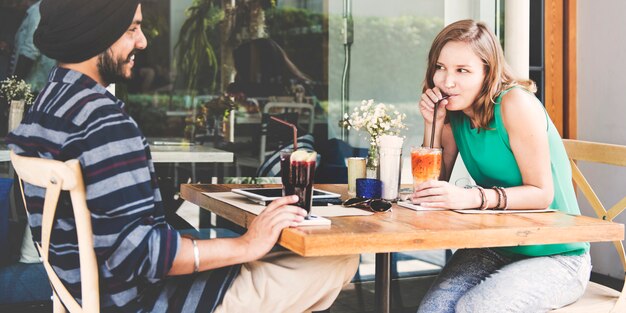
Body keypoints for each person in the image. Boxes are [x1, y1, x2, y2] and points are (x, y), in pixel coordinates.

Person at [6, 1, 359, 312]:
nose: (142, 42)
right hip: (152, 302)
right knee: (336, 258)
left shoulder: (46, 107)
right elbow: (141, 254)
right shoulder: (102, 120)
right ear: (96, 33)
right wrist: (246, 244)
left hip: (87, 295)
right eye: (132, 30)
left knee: (282, 256)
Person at [412, 19, 590, 313]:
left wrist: (473, 197)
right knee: (433, 310)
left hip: (558, 254)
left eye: (462, 70)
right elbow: (428, 190)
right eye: (440, 67)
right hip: (497, 244)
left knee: (475, 308)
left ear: (488, 72)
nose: (446, 81)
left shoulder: (515, 104)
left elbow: (541, 194)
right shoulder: (453, 112)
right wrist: (433, 124)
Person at [9, 0, 55, 92]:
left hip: (31, 84)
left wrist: (16, 88)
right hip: (35, 83)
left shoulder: (38, 10)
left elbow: (30, 51)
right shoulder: (44, 8)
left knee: (17, 105)